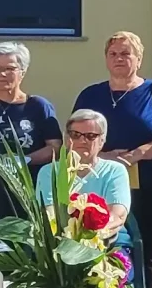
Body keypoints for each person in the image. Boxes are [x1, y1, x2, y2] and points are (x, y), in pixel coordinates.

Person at [75, 32, 152, 288]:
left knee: (142, 253)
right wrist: (105, 155)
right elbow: (76, 137)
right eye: (113, 54)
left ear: (139, 58)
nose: (119, 59)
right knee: (100, 250)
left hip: (148, 189)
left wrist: (134, 156)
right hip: (99, 190)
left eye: (126, 53)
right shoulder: (91, 95)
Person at [0, 42, 61, 220]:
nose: (2, 74)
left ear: (22, 72)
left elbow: (55, 147)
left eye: (10, 69)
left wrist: (24, 160)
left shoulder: (38, 106)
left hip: (29, 189)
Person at [37, 109, 134, 276]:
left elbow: (117, 216)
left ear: (102, 140)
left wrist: (91, 240)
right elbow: (49, 213)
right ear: (67, 139)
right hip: (59, 244)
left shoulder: (115, 171)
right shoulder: (49, 172)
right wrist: (71, 242)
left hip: (107, 241)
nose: (82, 140)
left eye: (90, 136)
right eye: (75, 134)